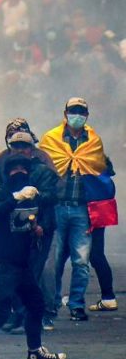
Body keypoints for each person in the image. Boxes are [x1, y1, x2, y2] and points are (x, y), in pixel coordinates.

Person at [0, 156, 66, 359]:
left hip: (23, 264)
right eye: (14, 169)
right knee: (1, 312)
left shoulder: (32, 195)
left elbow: (45, 213)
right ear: (7, 173)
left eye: (23, 169)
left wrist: (38, 228)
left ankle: (35, 351)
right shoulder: (3, 194)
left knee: (36, 304)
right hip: (3, 264)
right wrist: (15, 198)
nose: (19, 172)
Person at [38, 98, 108, 322]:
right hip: (57, 207)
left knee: (81, 261)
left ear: (86, 115)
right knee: (55, 260)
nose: (77, 115)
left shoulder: (93, 141)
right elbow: (42, 171)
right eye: (73, 111)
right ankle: (53, 302)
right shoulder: (51, 139)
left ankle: (77, 304)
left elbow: (99, 170)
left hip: (82, 209)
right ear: (65, 113)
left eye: (81, 111)